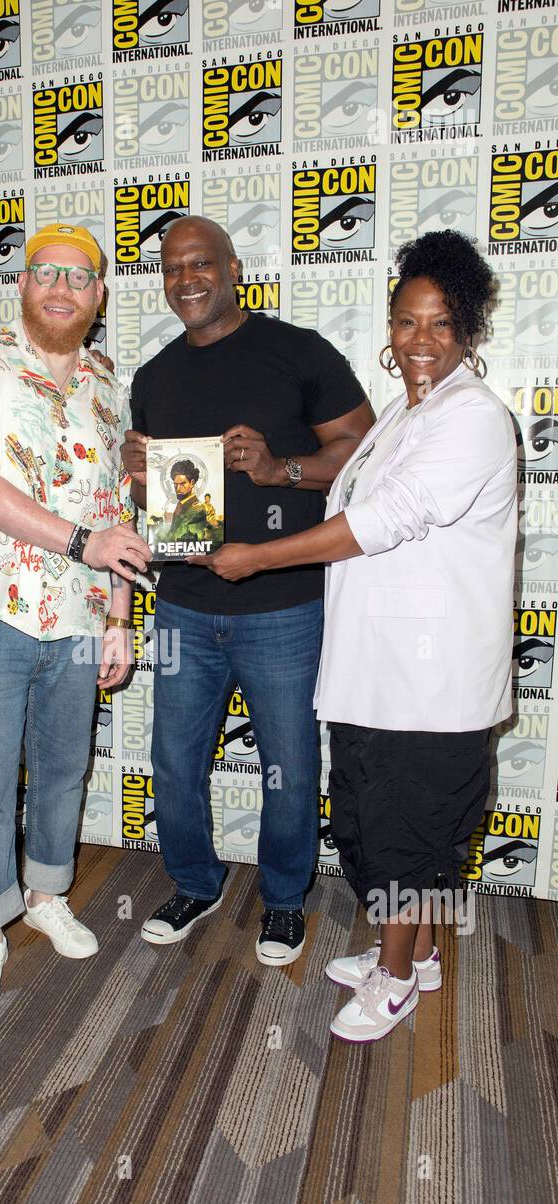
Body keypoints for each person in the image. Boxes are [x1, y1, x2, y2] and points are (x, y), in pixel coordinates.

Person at [192, 229, 516, 1042]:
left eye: (441, 324)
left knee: (414, 832)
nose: (420, 341)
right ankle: (422, 953)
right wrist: (277, 473)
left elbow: (383, 518)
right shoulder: (408, 414)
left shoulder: (473, 418)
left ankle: (398, 977)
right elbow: (348, 477)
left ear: (469, 331)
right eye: (407, 322)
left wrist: (258, 557)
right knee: (380, 824)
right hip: (378, 667)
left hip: (432, 679)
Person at [123, 216, 373, 965]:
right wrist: (136, 479)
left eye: (200, 263)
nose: (186, 279)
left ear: (232, 268)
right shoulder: (154, 376)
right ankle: (196, 884)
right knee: (173, 760)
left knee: (290, 766)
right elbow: (152, 506)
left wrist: (279, 469)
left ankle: (286, 900)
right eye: (172, 268)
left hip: (282, 608)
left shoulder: (296, 351)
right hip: (182, 606)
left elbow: (362, 454)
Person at [0, 222, 152, 1018]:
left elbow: (118, 508)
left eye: (77, 277)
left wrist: (120, 616)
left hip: (83, 615)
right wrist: (85, 545)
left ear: (97, 296)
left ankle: (48, 894)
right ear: (22, 285)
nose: (60, 288)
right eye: (45, 273)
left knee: (62, 771)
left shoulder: (105, 382)